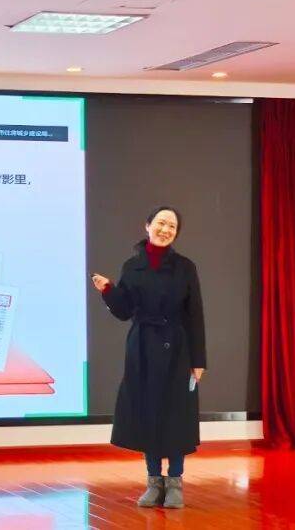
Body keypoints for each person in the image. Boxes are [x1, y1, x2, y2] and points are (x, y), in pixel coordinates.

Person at [91, 206, 206, 509]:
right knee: (148, 413)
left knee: (176, 415)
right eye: (161, 223)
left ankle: (175, 481)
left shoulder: (185, 267)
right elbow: (124, 310)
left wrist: (198, 360)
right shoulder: (132, 266)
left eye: (172, 226)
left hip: (178, 349)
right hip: (142, 347)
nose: (165, 229)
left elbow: (195, 314)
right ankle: (154, 482)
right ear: (148, 226)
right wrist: (108, 290)